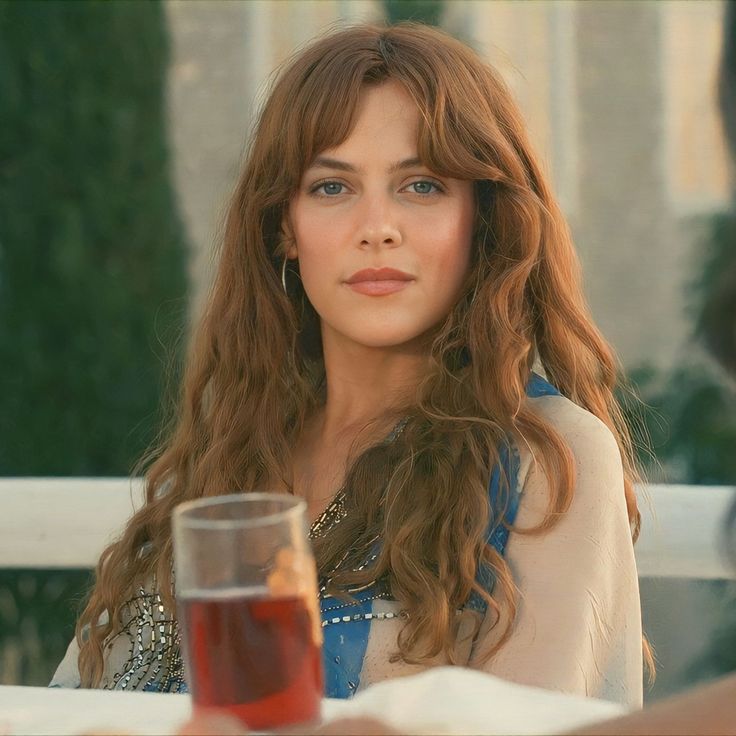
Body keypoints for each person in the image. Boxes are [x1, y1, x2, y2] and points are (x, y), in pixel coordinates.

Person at [51, 22, 647, 706]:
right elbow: (75, 701)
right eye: (332, 188)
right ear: (284, 227)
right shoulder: (233, 450)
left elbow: (533, 724)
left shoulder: (547, 460)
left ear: (482, 219)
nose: (376, 227)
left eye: (421, 185)